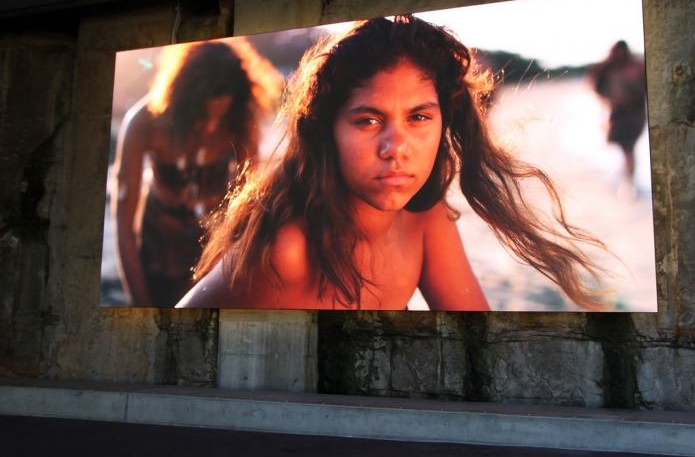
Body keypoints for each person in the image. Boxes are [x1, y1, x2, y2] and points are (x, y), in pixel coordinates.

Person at [177, 16, 607, 311]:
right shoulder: (289, 248)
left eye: (418, 117)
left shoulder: (424, 219)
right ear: (327, 131)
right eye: (368, 121)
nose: (396, 148)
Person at [112, 41, 282, 307]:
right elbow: (124, 226)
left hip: (213, 257)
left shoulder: (239, 123)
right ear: (182, 102)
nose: (210, 128)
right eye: (202, 116)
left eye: (220, 117)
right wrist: (141, 309)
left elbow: (251, 208)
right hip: (157, 254)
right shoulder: (144, 123)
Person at [588, 41, 647, 188]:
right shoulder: (608, 70)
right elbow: (599, 89)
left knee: (629, 148)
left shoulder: (636, 68)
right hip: (618, 115)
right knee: (626, 149)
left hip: (635, 115)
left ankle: (629, 179)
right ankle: (629, 178)